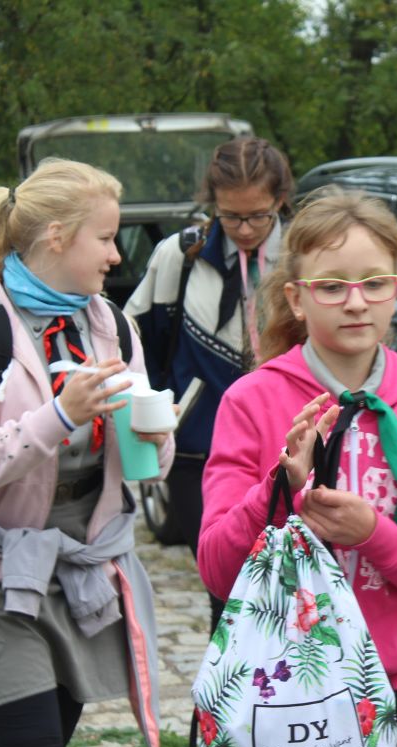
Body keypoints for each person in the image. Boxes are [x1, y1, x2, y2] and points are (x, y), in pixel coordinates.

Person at [196, 191, 397, 747]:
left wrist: (373, 535)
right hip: (272, 700)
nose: (356, 302)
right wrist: (277, 492)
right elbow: (216, 570)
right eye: (331, 286)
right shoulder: (252, 401)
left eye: (374, 283)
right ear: (296, 298)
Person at [0, 158, 174, 747]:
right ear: (57, 236)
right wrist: (60, 415)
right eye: (106, 237)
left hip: (81, 565)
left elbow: (146, 467)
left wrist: (154, 437)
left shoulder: (112, 325)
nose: (116, 256)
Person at [125, 136, 292, 558]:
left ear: (280, 200)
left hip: (289, 446)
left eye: (259, 215)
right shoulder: (180, 255)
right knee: (221, 573)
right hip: (197, 450)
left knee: (289, 576)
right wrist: (157, 414)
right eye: (230, 216)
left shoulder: (303, 255)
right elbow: (136, 341)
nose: (245, 229)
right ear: (213, 202)